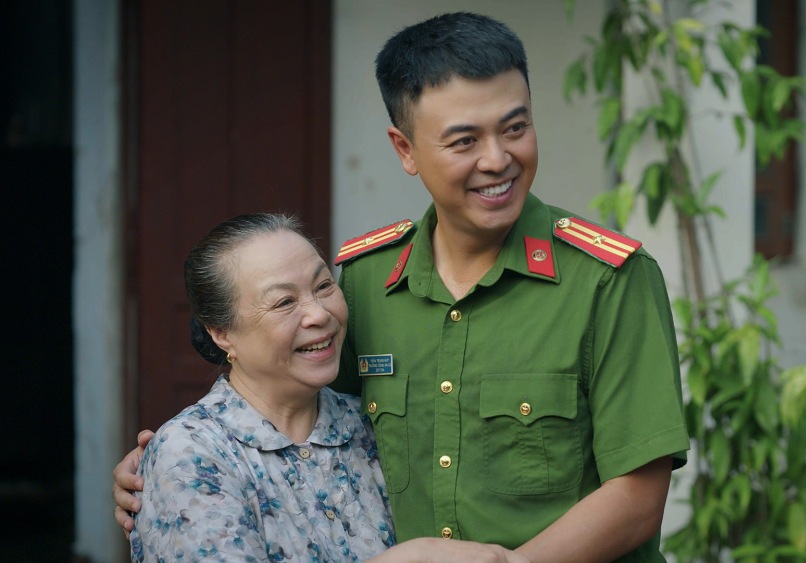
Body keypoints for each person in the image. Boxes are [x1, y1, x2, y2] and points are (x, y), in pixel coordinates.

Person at [116, 12, 689, 561]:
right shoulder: (364, 281)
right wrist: (173, 467)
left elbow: (638, 498)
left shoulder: (608, 280)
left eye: (515, 128)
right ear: (406, 150)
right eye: (464, 141)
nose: (498, 159)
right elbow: (299, 417)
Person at [127, 212, 526, 563]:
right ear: (221, 333)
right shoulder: (193, 454)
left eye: (323, 286)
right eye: (284, 303)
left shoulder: (368, 423)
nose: (319, 314)